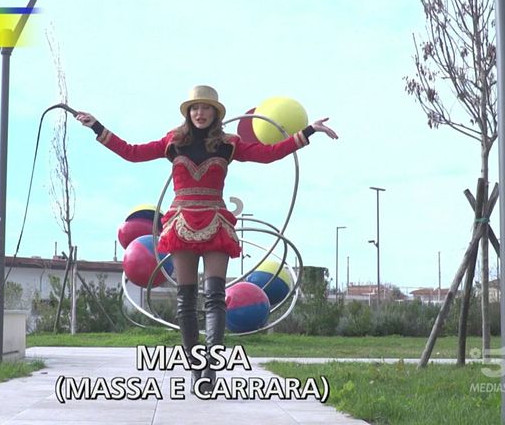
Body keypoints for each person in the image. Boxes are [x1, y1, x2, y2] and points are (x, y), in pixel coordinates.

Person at [76, 85, 338, 394]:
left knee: (215, 297)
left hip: (215, 222)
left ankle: (211, 368)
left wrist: (308, 131)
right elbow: (132, 153)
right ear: (188, 113)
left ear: (216, 113)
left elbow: (268, 155)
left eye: (206, 108)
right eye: (195, 108)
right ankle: (195, 368)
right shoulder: (173, 142)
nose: (200, 113)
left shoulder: (228, 144)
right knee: (186, 300)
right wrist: (97, 126)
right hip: (181, 223)